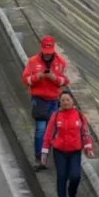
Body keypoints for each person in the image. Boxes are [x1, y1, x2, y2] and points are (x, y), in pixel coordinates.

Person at [40, 90, 94, 197]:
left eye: (68, 100)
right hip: (59, 152)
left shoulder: (79, 116)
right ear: (60, 102)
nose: (65, 102)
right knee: (62, 176)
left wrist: (88, 148)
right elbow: (48, 135)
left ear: (72, 101)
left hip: (75, 152)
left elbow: (85, 133)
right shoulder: (56, 116)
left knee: (75, 176)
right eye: (63, 100)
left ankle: (72, 194)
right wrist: (44, 153)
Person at [22, 35, 70, 167]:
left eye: (50, 53)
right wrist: (39, 76)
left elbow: (65, 80)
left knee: (52, 130)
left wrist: (53, 77)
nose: (48, 55)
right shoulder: (33, 62)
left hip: (54, 100)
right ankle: (39, 157)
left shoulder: (60, 63)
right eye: (46, 53)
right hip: (39, 99)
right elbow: (26, 80)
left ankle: (46, 155)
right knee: (41, 129)